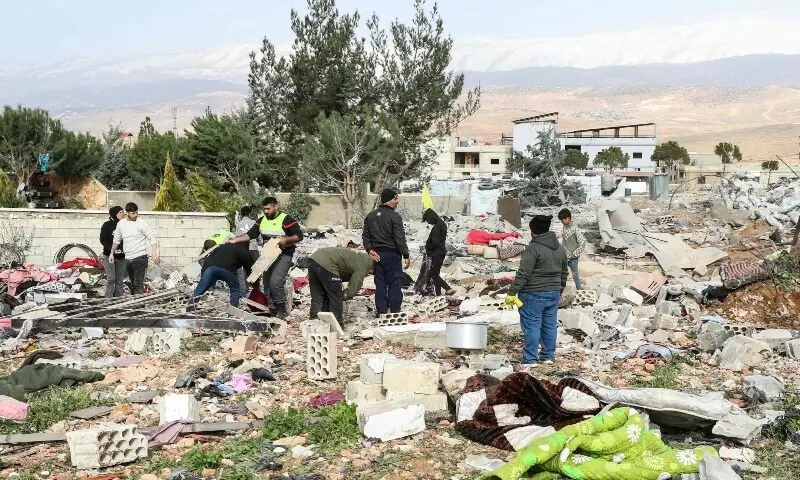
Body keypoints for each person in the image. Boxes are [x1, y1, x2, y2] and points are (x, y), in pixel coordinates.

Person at [505, 215, 568, 370]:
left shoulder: (532, 249)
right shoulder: (560, 249)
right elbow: (564, 273)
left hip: (532, 294)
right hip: (553, 293)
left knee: (532, 326)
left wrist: (512, 292)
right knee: (549, 326)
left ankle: (530, 359)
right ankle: (548, 356)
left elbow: (523, 274)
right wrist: (559, 289)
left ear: (533, 231)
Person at [228, 196, 303, 318]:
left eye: (268, 209)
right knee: (267, 284)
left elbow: (299, 236)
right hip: (268, 255)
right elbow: (251, 234)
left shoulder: (286, 219)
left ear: (276, 206)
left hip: (284, 254)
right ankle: (272, 310)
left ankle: (281, 311)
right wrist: (237, 239)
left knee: (276, 282)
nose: (266, 211)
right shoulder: (262, 220)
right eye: (264, 209)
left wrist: (285, 240)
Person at [362, 188, 410, 315]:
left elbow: (365, 237)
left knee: (380, 285)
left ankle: (381, 313)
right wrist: (406, 254)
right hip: (392, 255)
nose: (397, 201)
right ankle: (395, 313)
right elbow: (399, 238)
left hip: (377, 256)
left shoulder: (370, 216)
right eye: (395, 199)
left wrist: (369, 250)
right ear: (389, 201)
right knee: (395, 284)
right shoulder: (394, 216)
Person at [308, 247, 376, 327]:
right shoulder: (363, 266)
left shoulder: (356, 257)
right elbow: (353, 289)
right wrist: (342, 296)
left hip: (313, 259)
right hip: (328, 264)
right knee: (335, 297)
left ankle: (314, 322)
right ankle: (337, 325)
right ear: (372, 269)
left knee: (317, 295)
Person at [187, 240, 255, 310]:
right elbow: (251, 272)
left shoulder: (222, 246)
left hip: (210, 268)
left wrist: (203, 282)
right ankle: (232, 312)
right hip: (227, 269)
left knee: (199, 290)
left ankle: (189, 311)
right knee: (235, 290)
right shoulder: (245, 252)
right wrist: (256, 287)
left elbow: (205, 262)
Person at [110, 202, 159, 295]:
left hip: (140, 257)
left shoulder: (142, 223)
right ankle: (136, 304)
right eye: (133, 213)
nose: (135, 215)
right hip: (128, 259)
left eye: (136, 213)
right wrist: (111, 253)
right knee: (132, 284)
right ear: (127, 212)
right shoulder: (121, 224)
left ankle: (139, 306)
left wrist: (154, 253)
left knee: (138, 284)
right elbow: (116, 240)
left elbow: (153, 239)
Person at [422, 208, 454, 296]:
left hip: (437, 253)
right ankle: (438, 293)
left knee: (433, 274)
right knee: (436, 274)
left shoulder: (437, 226)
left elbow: (435, 242)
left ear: (431, 217)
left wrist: (427, 247)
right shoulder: (440, 224)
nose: (428, 222)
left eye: (428, 220)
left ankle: (448, 288)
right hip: (439, 252)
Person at [100, 206, 126, 298]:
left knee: (120, 280)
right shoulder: (107, 225)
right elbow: (103, 240)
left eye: (123, 212)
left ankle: (118, 301)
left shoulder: (125, 225)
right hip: (109, 256)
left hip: (122, 257)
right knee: (111, 279)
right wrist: (112, 250)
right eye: (120, 212)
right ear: (114, 214)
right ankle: (108, 301)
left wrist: (123, 250)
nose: (122, 214)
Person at [558, 208, 586, 290]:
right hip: (564, 256)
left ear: (568, 218)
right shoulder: (564, 227)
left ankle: (579, 291)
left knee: (575, 275)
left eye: (563, 220)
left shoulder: (575, 229)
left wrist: (575, 253)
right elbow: (564, 240)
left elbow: (582, 242)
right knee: (562, 275)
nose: (561, 222)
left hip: (573, 258)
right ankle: (560, 291)